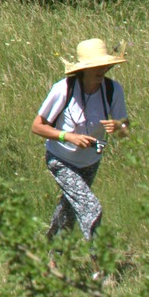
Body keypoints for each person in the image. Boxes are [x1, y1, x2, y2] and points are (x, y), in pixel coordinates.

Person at [31, 38, 130, 244]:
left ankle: (52, 253)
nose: (101, 70)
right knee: (90, 207)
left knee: (69, 210)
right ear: (83, 69)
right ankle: (100, 266)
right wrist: (67, 136)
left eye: (103, 65)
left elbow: (124, 130)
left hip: (91, 161)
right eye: (95, 66)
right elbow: (37, 126)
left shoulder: (113, 90)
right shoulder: (63, 89)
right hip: (61, 159)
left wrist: (119, 128)